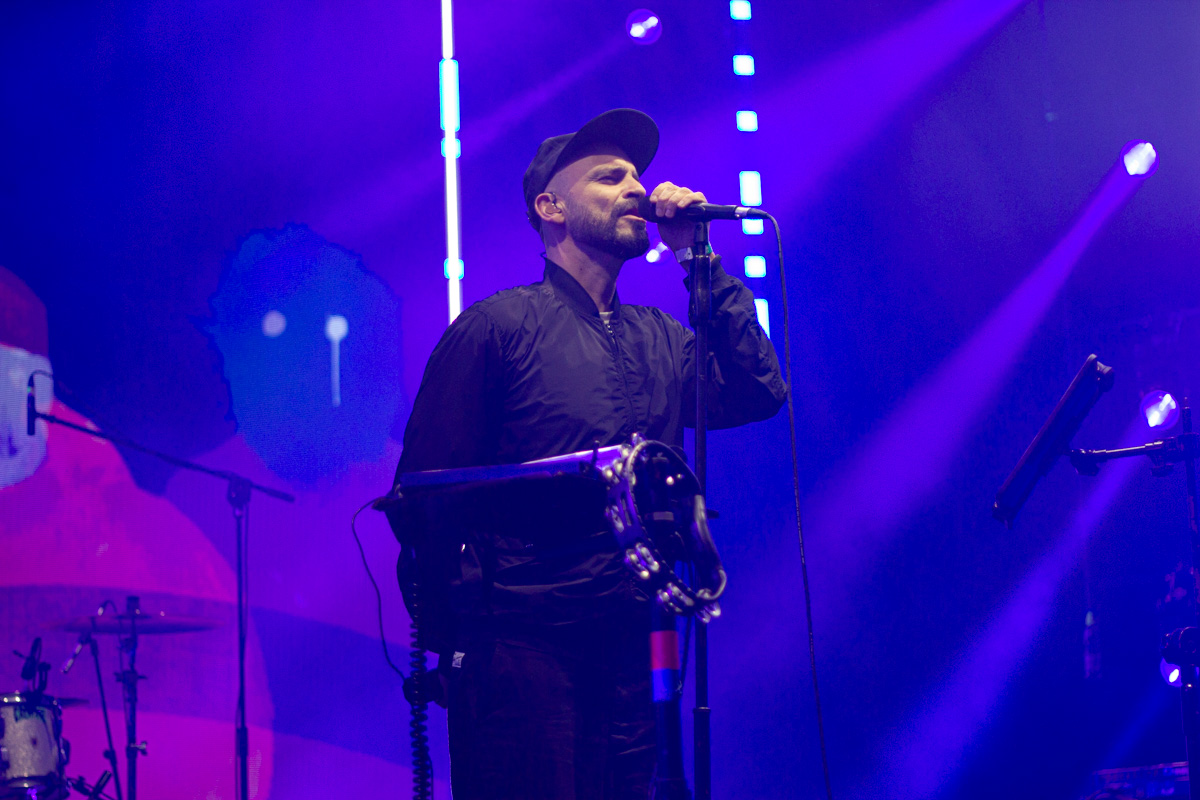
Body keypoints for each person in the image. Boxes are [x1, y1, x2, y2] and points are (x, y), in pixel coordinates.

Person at [390, 108, 786, 799]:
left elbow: (759, 389)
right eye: (610, 177)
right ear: (551, 208)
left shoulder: (660, 337)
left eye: (637, 175)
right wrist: (461, 643)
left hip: (637, 649)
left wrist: (699, 260)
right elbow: (423, 498)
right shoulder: (496, 327)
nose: (637, 188)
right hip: (523, 654)